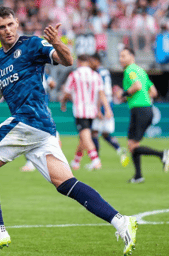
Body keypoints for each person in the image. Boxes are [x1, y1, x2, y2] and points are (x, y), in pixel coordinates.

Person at [0, 7, 137, 256]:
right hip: (41, 129)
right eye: (2, 27)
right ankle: (121, 221)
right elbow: (2, 94)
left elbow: (67, 60)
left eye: (11, 24)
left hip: (29, 120)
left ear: (17, 23)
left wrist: (58, 42)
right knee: (65, 182)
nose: (8, 30)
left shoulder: (33, 45)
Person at [117, 47, 169, 183]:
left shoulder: (131, 70)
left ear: (132, 57)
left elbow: (137, 86)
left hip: (139, 110)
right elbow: (153, 91)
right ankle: (138, 176)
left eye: (123, 56)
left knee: (133, 146)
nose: (120, 59)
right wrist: (142, 98)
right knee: (132, 143)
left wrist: (124, 94)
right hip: (146, 108)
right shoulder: (141, 71)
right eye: (120, 56)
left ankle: (163, 154)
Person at [61, 54, 112, 171]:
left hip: (80, 110)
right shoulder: (96, 75)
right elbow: (102, 94)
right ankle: (76, 161)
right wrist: (107, 109)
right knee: (83, 137)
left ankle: (96, 160)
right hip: (92, 111)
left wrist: (63, 103)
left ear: (78, 62)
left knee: (85, 136)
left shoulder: (74, 75)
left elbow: (67, 92)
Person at [89, 52, 130, 167]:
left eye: (92, 60)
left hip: (102, 103)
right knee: (105, 134)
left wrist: (99, 109)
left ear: (97, 61)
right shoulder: (105, 71)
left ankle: (95, 160)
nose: (90, 63)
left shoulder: (97, 73)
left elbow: (100, 91)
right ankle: (120, 150)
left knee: (94, 132)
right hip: (108, 102)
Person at [21, 71, 60, 172]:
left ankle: (31, 162)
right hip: (42, 108)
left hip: (35, 109)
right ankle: (55, 147)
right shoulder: (44, 75)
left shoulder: (28, 74)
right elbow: (53, 84)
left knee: (29, 133)